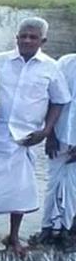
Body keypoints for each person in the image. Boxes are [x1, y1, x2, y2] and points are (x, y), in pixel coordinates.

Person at [0, 18, 70, 256]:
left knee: (20, 189)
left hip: (27, 137)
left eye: (33, 37)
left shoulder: (51, 67)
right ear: (16, 37)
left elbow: (59, 100)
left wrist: (47, 131)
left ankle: (14, 236)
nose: (27, 41)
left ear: (43, 41)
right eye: (23, 36)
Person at [42, 52, 76, 249]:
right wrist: (50, 134)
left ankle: (65, 229)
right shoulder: (64, 62)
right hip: (59, 134)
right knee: (52, 184)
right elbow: (51, 98)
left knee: (73, 187)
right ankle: (47, 228)